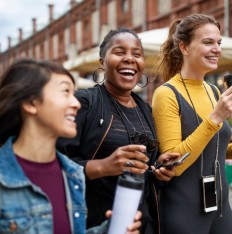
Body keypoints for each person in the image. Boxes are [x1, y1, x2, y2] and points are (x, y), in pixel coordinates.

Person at [57, 28, 180, 233]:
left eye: (137, 54)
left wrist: (159, 171)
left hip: (142, 222)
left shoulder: (146, 110)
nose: (130, 59)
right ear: (102, 61)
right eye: (120, 52)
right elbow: (55, 164)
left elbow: (147, 170)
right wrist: (104, 166)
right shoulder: (84, 103)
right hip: (97, 223)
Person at [152, 14, 232, 234]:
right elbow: (174, 164)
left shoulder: (213, 90)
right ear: (184, 48)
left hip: (221, 207)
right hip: (185, 212)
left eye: (218, 42)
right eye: (208, 42)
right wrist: (215, 118)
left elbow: (207, 147)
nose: (217, 49)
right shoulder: (166, 94)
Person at [0, 59, 142, 234]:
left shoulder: (72, 175)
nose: (75, 103)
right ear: (31, 103)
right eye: (65, 92)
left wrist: (109, 230)